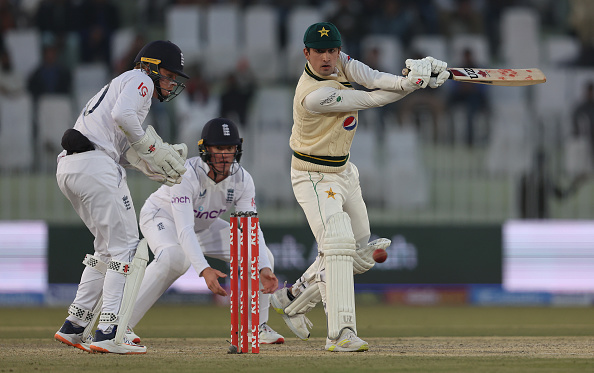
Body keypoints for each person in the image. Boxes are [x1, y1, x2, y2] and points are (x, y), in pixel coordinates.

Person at [270, 22, 449, 352]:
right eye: (319, 51)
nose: (326, 57)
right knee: (338, 245)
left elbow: (374, 77)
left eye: (331, 50)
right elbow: (373, 98)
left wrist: (411, 77)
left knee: (362, 254)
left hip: (344, 171)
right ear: (305, 53)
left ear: (338, 50)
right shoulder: (315, 95)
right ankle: (340, 334)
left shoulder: (341, 62)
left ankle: (291, 299)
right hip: (314, 176)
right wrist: (413, 83)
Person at [54, 40, 190, 354]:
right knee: (126, 247)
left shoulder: (120, 83)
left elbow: (119, 145)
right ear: (152, 67)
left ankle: (75, 324)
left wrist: (150, 165)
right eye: (168, 75)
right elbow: (124, 116)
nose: (171, 83)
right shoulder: (140, 79)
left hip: (71, 167)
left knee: (105, 248)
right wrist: (153, 149)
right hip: (94, 165)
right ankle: (109, 331)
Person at [125, 118, 285, 345]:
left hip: (202, 225)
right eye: (219, 148)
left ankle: (255, 327)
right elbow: (184, 229)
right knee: (174, 258)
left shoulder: (242, 179)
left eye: (229, 148)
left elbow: (250, 228)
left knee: (263, 256)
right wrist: (204, 270)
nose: (224, 154)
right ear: (205, 149)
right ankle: (120, 326)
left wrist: (264, 268)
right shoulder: (186, 174)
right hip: (163, 217)